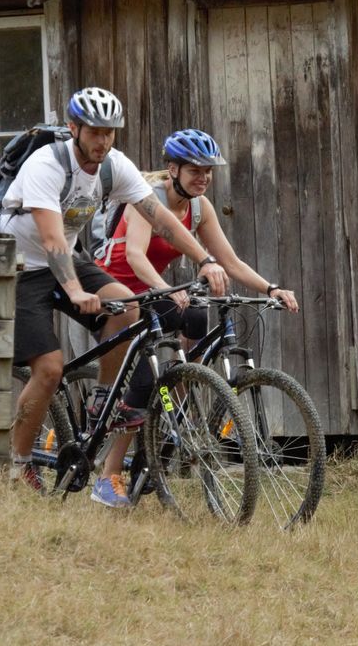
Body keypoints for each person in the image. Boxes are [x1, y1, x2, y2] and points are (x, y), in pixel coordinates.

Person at [2, 87, 227, 506]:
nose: (102, 141)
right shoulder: (46, 165)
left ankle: (104, 397)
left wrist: (205, 259)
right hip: (21, 268)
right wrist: (73, 290)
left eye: (110, 133)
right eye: (94, 132)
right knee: (49, 369)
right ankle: (18, 465)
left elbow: (160, 220)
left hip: (67, 258)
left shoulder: (115, 167)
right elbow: (50, 238)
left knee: (127, 303)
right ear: (74, 129)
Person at [91, 128, 299, 484]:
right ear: (173, 170)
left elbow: (228, 261)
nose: (203, 178)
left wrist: (271, 288)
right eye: (194, 171)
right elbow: (135, 256)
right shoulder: (145, 199)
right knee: (142, 379)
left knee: (198, 318)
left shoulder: (199, 208)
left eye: (208, 171)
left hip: (154, 293)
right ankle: (109, 476)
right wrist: (166, 288)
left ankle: (177, 394)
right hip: (117, 291)